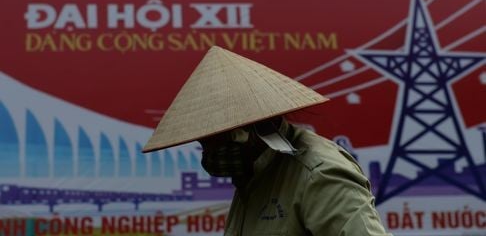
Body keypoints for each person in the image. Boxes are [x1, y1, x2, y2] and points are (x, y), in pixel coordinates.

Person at [143, 46, 392, 235]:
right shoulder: (254, 177)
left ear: (248, 131)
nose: (209, 153)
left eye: (215, 141)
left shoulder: (317, 174)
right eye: (204, 144)